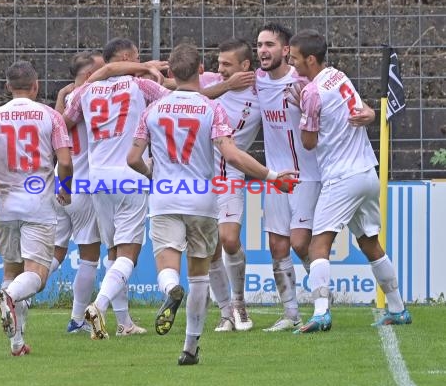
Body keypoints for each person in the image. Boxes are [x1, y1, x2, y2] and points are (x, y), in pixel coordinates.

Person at [127, 43, 297, 365]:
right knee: (200, 276)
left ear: (172, 73)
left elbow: (133, 158)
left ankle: (170, 289)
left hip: (164, 197)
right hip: (202, 199)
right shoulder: (211, 108)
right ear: (201, 69)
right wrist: (272, 176)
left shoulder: (153, 110)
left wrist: (153, 175)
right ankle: (190, 348)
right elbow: (231, 154)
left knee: (168, 266)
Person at [256, 23, 377, 332]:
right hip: (275, 174)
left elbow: (346, 103)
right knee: (276, 246)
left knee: (301, 244)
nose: (262, 51)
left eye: (269, 45)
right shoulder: (255, 81)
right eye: (259, 45)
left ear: (287, 52)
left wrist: (371, 112)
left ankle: (321, 300)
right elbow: (216, 82)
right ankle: (291, 313)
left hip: (308, 174)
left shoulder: (304, 81)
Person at [289, 29, 412, 333]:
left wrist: (301, 108)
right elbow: (351, 112)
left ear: (311, 59)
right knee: (369, 242)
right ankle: (397, 308)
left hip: (341, 176)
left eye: (295, 60)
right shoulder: (337, 75)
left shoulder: (313, 93)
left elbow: (308, 142)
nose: (292, 66)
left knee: (319, 244)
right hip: (366, 172)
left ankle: (320, 313)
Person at [0, 60, 73, 355]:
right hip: (38, 207)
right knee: (37, 277)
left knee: (12, 269)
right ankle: (8, 296)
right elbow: (66, 161)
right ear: (36, 86)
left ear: (8, 87)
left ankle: (17, 343)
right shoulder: (50, 117)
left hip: (6, 207)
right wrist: (65, 188)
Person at [63, 38, 169, 339]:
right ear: (126, 58)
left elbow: (66, 120)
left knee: (112, 253)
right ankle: (98, 305)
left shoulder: (84, 91)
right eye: (137, 57)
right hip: (130, 175)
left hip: (97, 178)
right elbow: (176, 101)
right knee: (129, 254)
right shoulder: (140, 86)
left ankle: (124, 323)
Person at [199, 39, 262, 332]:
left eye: (227, 65)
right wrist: (224, 85)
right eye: (219, 63)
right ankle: (225, 313)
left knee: (229, 240)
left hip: (231, 173)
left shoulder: (262, 89)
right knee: (210, 247)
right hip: (199, 175)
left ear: (245, 66)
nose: (219, 69)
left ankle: (238, 303)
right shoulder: (211, 83)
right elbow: (179, 89)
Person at [51, 51, 104, 334]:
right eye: (101, 70)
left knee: (57, 253)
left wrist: (61, 94)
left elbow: (58, 124)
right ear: (87, 77)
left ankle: (17, 294)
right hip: (80, 186)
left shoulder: (68, 103)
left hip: (59, 183)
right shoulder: (90, 99)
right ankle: (76, 320)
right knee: (89, 256)